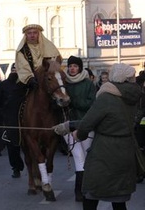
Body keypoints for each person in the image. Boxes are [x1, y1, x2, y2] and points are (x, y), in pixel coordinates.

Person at [53, 63, 140, 210]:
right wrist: (71, 125)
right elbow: (108, 119)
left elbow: (89, 122)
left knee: (91, 192)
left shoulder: (107, 97)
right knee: (119, 196)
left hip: (105, 152)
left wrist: (77, 132)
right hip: (126, 149)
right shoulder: (134, 97)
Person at [63, 56, 96, 202]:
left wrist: (74, 101)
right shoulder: (63, 84)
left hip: (86, 125)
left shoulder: (89, 84)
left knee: (86, 157)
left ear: (80, 68)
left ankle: (85, 188)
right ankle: (79, 191)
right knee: (79, 157)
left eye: (75, 66)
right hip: (69, 126)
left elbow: (91, 104)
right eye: (70, 66)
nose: (72, 68)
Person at [0, 64, 25, 177]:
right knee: (12, 146)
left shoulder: (25, 85)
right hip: (10, 120)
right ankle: (16, 167)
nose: (16, 72)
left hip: (24, 119)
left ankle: (21, 167)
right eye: (14, 69)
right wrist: (1, 116)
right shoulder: (4, 85)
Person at [15, 24, 62, 90]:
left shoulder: (49, 47)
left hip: (48, 78)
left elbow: (56, 61)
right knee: (15, 96)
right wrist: (30, 78)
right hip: (29, 79)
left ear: (39, 34)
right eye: (29, 33)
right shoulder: (22, 50)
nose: (32, 35)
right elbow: (23, 66)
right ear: (26, 35)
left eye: (35, 33)